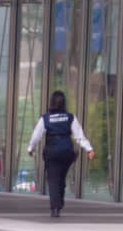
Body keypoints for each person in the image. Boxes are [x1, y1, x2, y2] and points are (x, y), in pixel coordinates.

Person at [26, 90, 94, 218]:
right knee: (61, 178)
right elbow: (79, 136)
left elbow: (36, 136)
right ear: (64, 103)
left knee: (53, 179)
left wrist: (31, 148)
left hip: (52, 152)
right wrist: (89, 149)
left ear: (51, 102)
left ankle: (55, 207)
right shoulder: (70, 117)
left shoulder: (45, 118)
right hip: (67, 152)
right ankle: (59, 202)